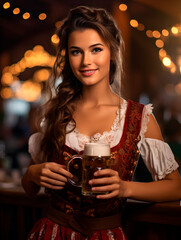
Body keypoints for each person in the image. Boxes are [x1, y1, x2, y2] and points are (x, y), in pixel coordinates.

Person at [22, 5, 181, 240]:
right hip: (52, 232)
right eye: (76, 51)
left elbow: (175, 187)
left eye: (96, 49)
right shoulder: (54, 113)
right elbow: (30, 188)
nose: (86, 61)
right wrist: (32, 174)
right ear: (68, 56)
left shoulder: (138, 117)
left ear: (113, 52)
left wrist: (126, 188)